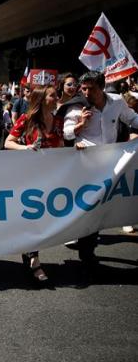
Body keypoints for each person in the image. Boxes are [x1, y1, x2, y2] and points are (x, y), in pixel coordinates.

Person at [63, 71, 138, 268]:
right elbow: (67, 134)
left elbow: (132, 119)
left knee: (100, 207)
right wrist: (80, 124)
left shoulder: (117, 102)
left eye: (91, 88)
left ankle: (87, 247)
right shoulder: (77, 106)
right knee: (88, 206)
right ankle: (84, 247)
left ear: (102, 87)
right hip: (85, 163)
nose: (86, 93)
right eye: (84, 88)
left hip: (110, 164)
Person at [5, 85, 63, 283]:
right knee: (33, 217)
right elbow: (8, 142)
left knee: (45, 218)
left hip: (52, 177)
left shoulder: (57, 121)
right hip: (29, 176)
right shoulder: (27, 119)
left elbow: (61, 145)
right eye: (53, 95)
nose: (57, 98)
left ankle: (29, 252)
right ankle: (34, 261)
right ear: (42, 99)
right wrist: (26, 148)